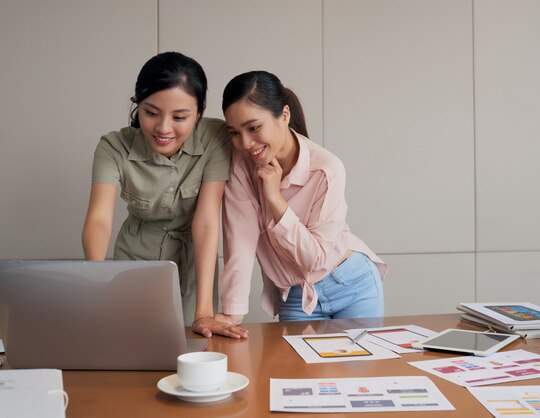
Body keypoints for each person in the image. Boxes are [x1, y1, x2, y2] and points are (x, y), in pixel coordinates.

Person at [197, 70, 387, 334]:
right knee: (296, 374)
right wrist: (232, 312)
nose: (245, 143)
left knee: (359, 374)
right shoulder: (241, 166)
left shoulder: (326, 169)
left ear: (284, 115)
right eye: (235, 132)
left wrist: (275, 199)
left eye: (253, 128)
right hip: (296, 294)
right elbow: (239, 240)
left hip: (351, 283)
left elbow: (316, 259)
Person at [82, 51, 247, 339]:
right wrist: (98, 283)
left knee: (193, 350)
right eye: (151, 113)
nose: (163, 128)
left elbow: (207, 221)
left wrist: (204, 312)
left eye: (180, 117)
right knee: (127, 345)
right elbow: (99, 219)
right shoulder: (113, 147)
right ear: (137, 106)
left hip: (196, 266)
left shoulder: (216, 138)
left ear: (200, 110)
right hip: (133, 264)